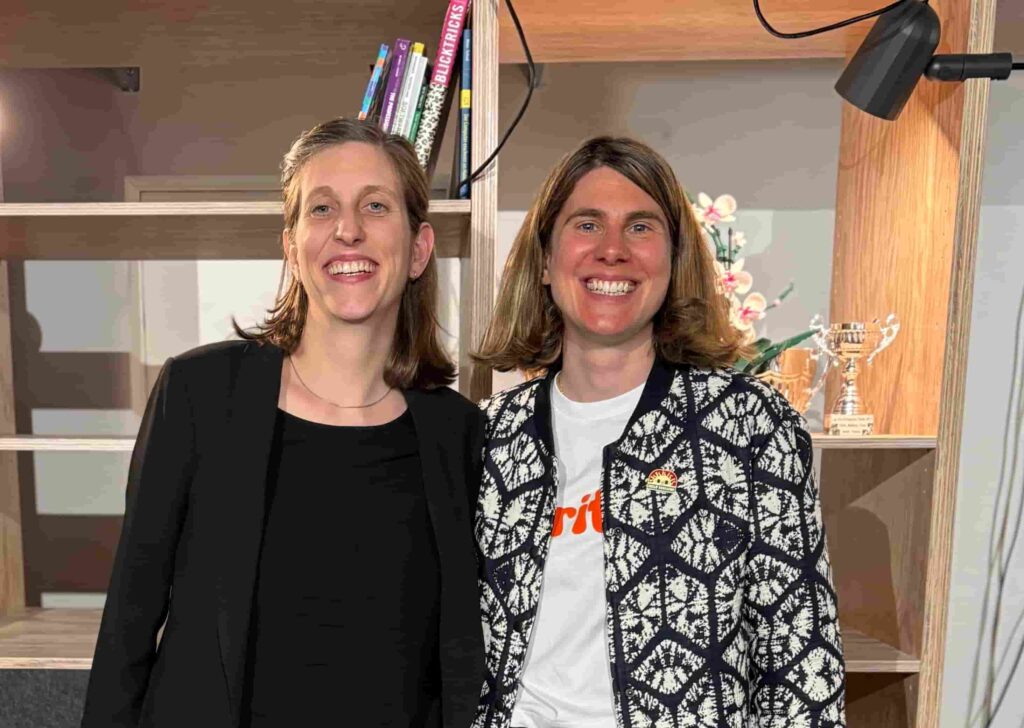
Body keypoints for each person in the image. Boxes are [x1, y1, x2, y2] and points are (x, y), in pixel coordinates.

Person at [81, 118, 484, 728]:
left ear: (419, 249)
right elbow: (127, 629)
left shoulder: (460, 435)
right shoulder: (199, 394)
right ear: (292, 247)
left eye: (374, 206)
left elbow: (458, 656)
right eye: (321, 209)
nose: (348, 230)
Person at [471, 136, 846, 727]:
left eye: (641, 227)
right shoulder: (491, 436)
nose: (613, 250)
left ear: (674, 261)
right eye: (587, 224)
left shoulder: (749, 426)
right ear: (545, 260)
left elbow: (800, 662)